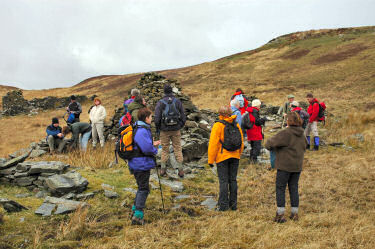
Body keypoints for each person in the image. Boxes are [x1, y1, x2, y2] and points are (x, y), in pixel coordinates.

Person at [265, 112, 307, 223]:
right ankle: (294, 213)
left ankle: (280, 215)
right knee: (294, 188)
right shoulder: (302, 134)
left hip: (284, 166)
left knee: (280, 188)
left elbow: (269, 144)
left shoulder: (285, 133)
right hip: (297, 166)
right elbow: (305, 146)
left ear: (288, 121)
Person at [208, 106, 244, 211]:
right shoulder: (236, 124)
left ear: (220, 114)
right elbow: (241, 141)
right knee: (233, 180)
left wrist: (211, 160)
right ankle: (233, 205)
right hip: (235, 156)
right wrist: (238, 154)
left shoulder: (218, 125)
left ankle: (223, 206)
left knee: (223, 181)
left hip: (222, 157)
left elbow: (213, 144)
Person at [128, 108, 160, 225]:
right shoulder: (142, 130)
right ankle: (138, 216)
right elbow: (146, 149)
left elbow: (142, 145)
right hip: (140, 164)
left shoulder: (137, 127)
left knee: (141, 187)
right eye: (151, 117)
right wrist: (154, 150)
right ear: (146, 118)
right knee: (144, 189)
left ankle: (134, 210)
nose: (151, 119)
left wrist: (152, 144)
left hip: (136, 162)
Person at [154, 84, 186, 178]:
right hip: (176, 130)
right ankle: (180, 170)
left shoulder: (160, 102)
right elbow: (183, 116)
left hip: (164, 130)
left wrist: (159, 128)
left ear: (164, 92)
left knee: (165, 149)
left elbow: (157, 118)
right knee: (177, 148)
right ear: (171, 91)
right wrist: (180, 125)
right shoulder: (178, 102)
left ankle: (163, 170)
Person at [246, 99, 267, 163]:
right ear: (257, 105)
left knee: (253, 145)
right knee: (257, 146)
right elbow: (257, 122)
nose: (260, 107)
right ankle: (254, 160)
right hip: (255, 131)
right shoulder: (255, 111)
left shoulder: (250, 111)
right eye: (259, 105)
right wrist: (263, 119)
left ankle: (251, 159)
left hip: (251, 130)